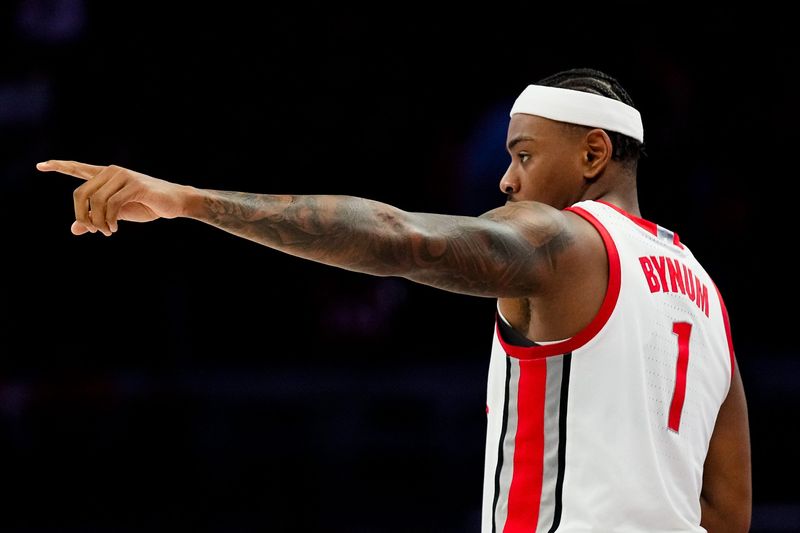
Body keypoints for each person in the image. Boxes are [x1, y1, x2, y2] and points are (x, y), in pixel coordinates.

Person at [37, 68, 751, 532]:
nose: (506, 180)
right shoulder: (704, 290)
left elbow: (401, 238)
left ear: (593, 155)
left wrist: (187, 200)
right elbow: (727, 508)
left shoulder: (565, 240)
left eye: (525, 155)